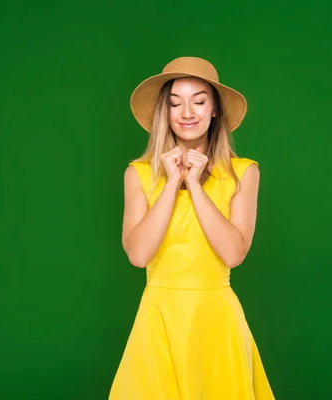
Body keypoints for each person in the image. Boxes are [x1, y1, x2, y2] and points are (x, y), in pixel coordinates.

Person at [109, 56, 274, 399]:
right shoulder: (138, 174)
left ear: (214, 110)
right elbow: (138, 255)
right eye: (175, 103)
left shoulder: (243, 172)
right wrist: (172, 183)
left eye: (199, 101)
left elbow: (233, 253)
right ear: (164, 113)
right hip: (158, 317)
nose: (187, 112)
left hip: (215, 319)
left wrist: (196, 186)